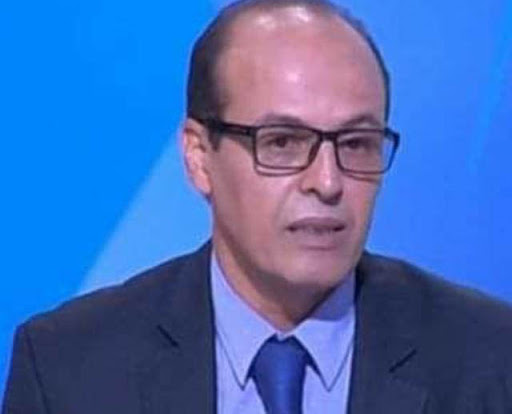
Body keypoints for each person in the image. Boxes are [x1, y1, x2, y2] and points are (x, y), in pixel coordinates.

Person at [3, 0, 512, 413]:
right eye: (282, 142)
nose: (328, 182)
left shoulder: (491, 358)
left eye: (357, 144)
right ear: (199, 158)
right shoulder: (68, 368)